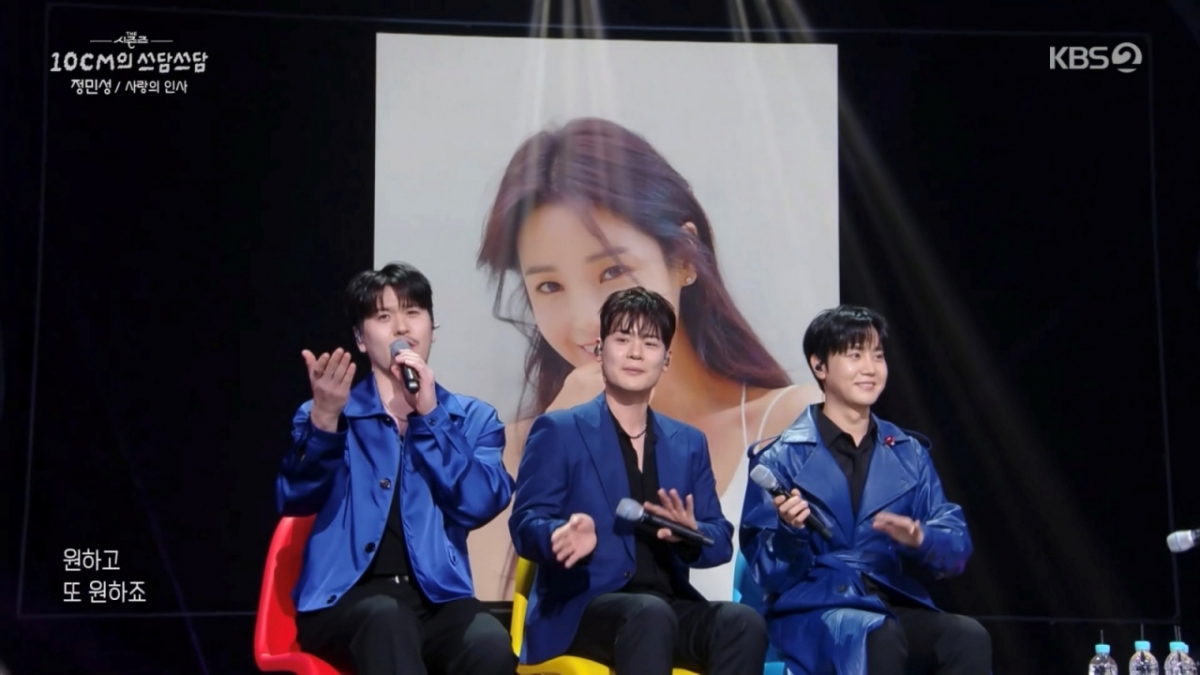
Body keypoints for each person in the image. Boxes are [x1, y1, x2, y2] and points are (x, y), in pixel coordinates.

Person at [472, 116, 823, 600]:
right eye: (549, 286)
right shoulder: (511, 450)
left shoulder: (788, 421)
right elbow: (495, 612)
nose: (587, 320)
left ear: (684, 257)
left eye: (611, 271)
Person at [509, 287, 769, 675]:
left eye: (650, 343)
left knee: (742, 623)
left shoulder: (688, 443)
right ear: (600, 350)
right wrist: (559, 534)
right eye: (622, 339)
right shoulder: (559, 431)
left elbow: (718, 542)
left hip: (666, 606)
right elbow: (526, 523)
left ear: (666, 359)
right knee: (649, 615)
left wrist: (690, 533)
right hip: (582, 610)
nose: (635, 353)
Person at [275, 263, 517, 675]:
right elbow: (294, 498)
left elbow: (479, 505)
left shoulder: (472, 419)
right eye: (384, 316)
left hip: (438, 600)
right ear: (360, 338)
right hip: (346, 600)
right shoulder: (328, 414)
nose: (402, 327)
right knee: (387, 619)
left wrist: (431, 417)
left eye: (413, 312)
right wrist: (325, 424)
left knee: (490, 644)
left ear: (432, 329)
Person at [739, 305, 992, 674]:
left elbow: (957, 548)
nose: (870, 368)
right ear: (819, 366)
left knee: (967, 636)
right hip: (812, 608)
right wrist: (790, 533)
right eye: (855, 355)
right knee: (878, 635)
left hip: (887, 599)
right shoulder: (779, 456)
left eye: (878, 355)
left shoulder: (908, 452)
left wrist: (922, 538)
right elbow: (766, 571)